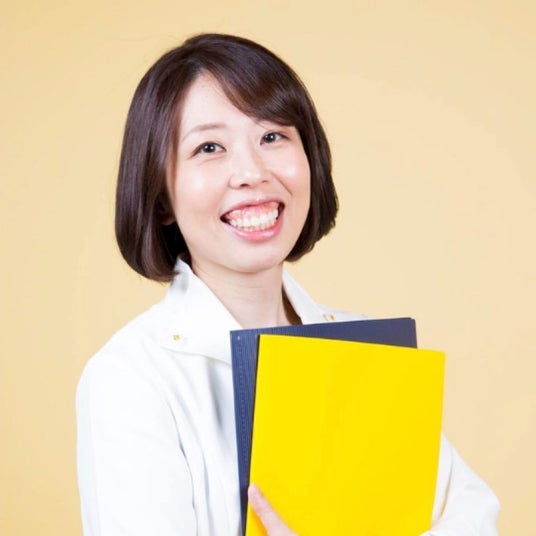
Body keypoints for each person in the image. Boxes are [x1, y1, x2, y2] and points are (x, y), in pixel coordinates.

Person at [76, 33, 500, 535]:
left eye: (272, 136)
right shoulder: (131, 378)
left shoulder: (370, 354)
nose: (251, 172)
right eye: (209, 147)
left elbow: (473, 516)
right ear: (162, 196)